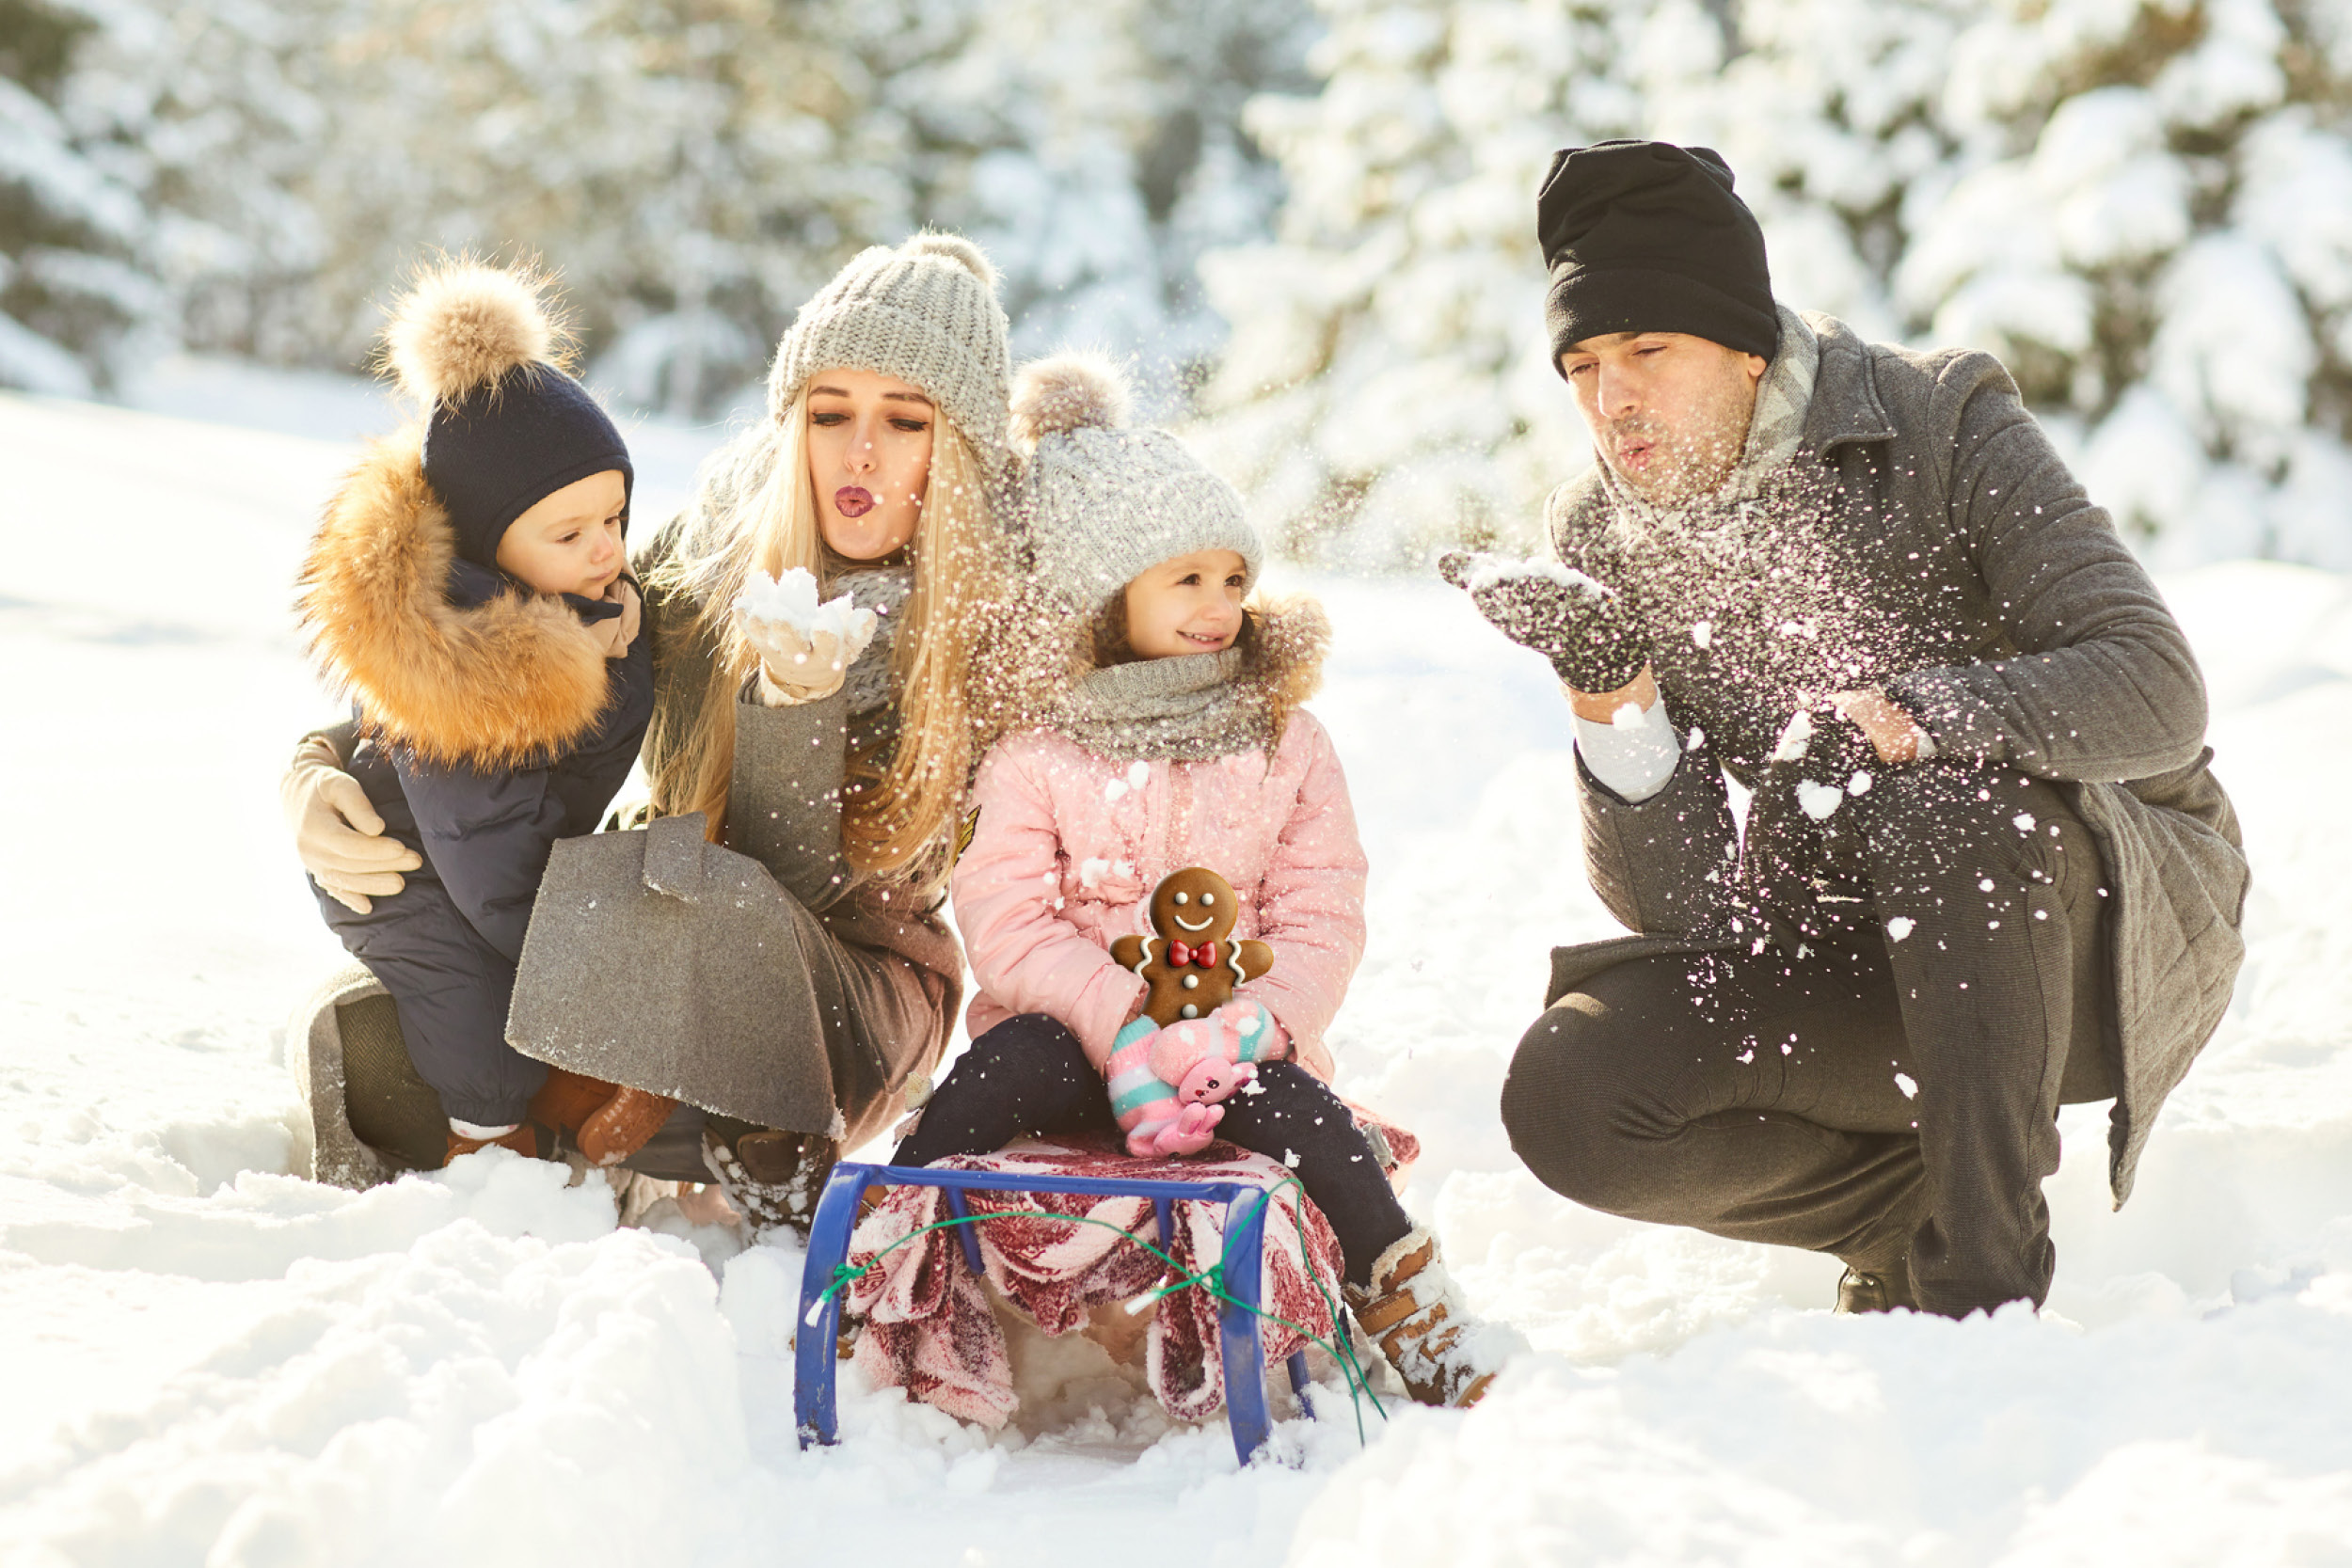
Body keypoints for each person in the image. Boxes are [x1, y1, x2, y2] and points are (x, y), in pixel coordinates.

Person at [1453, 140, 2249, 1318]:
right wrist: (1611, 689)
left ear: (1743, 343)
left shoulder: (1940, 419)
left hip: (2078, 934)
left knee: (1934, 803)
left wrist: (1919, 717)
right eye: (1580, 363)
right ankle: (1899, 1219)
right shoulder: (1606, 529)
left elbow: (2155, 687)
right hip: (1860, 963)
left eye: (1644, 351)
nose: (1609, 400)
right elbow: (1683, 916)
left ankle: (1979, 1288)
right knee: (1574, 1087)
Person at [283, 233, 1019, 1231]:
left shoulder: (990, 629)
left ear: (962, 445)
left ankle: (674, 1122)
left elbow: (792, 879)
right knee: (386, 1008)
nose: (858, 452)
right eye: (830, 411)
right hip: (660, 921)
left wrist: (795, 714)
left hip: (839, 994)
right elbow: (505, 663)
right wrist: (323, 768)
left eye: (905, 420)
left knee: (695, 894)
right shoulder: (713, 560)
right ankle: (555, 1119)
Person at [893, 353, 1517, 1407]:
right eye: (1185, 579)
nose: (1218, 603)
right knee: (996, 1072)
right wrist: (1121, 1020)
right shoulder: (1039, 749)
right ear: (1107, 595)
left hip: (1223, 1056)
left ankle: (1406, 1299)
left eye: (1233, 578)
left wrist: (1244, 1028)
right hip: (1076, 1043)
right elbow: (1006, 914)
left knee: (1309, 1116)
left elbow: (1322, 908)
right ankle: (891, 1250)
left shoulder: (1283, 740)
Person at [295, 260, 667, 1165]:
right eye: (571, 535)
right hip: (409, 872)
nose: (608, 549)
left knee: (524, 986)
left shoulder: (591, 609)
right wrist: (596, 979)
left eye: (614, 517)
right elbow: (495, 873)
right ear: (487, 548)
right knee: (476, 1024)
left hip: (497, 861)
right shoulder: (465, 679)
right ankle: (489, 1151)